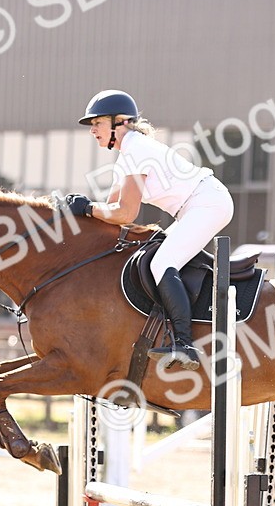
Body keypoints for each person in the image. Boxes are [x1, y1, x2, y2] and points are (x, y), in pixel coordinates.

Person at [63, 90, 235, 370]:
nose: (92, 130)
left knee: (162, 262)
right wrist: (84, 209)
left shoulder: (136, 150)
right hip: (197, 205)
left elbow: (125, 213)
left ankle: (185, 343)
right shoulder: (127, 154)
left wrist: (87, 208)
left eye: (97, 123)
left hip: (207, 202)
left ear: (120, 122)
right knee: (159, 257)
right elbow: (112, 211)